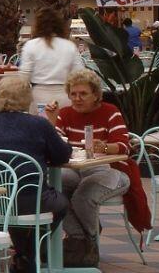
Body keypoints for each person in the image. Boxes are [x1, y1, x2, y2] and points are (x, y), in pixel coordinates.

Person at [46, 70, 151, 266]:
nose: (77, 98)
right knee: (53, 192)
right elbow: (54, 144)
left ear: (95, 94)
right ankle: (80, 239)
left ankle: (90, 244)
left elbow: (124, 147)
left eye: (83, 94)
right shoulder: (66, 113)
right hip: (77, 169)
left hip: (112, 170)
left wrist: (103, 146)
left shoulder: (110, 112)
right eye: (73, 94)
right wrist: (52, 121)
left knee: (83, 196)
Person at [0, 75, 70, 273]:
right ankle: (30, 253)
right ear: (28, 97)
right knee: (60, 204)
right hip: (29, 198)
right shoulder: (39, 124)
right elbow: (61, 155)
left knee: (16, 212)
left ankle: (23, 253)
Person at [18, 9, 83, 109]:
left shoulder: (30, 45)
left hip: (39, 96)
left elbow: (24, 77)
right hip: (65, 96)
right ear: (59, 25)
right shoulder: (70, 46)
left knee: (40, 124)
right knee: (63, 123)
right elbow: (79, 74)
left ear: (37, 26)